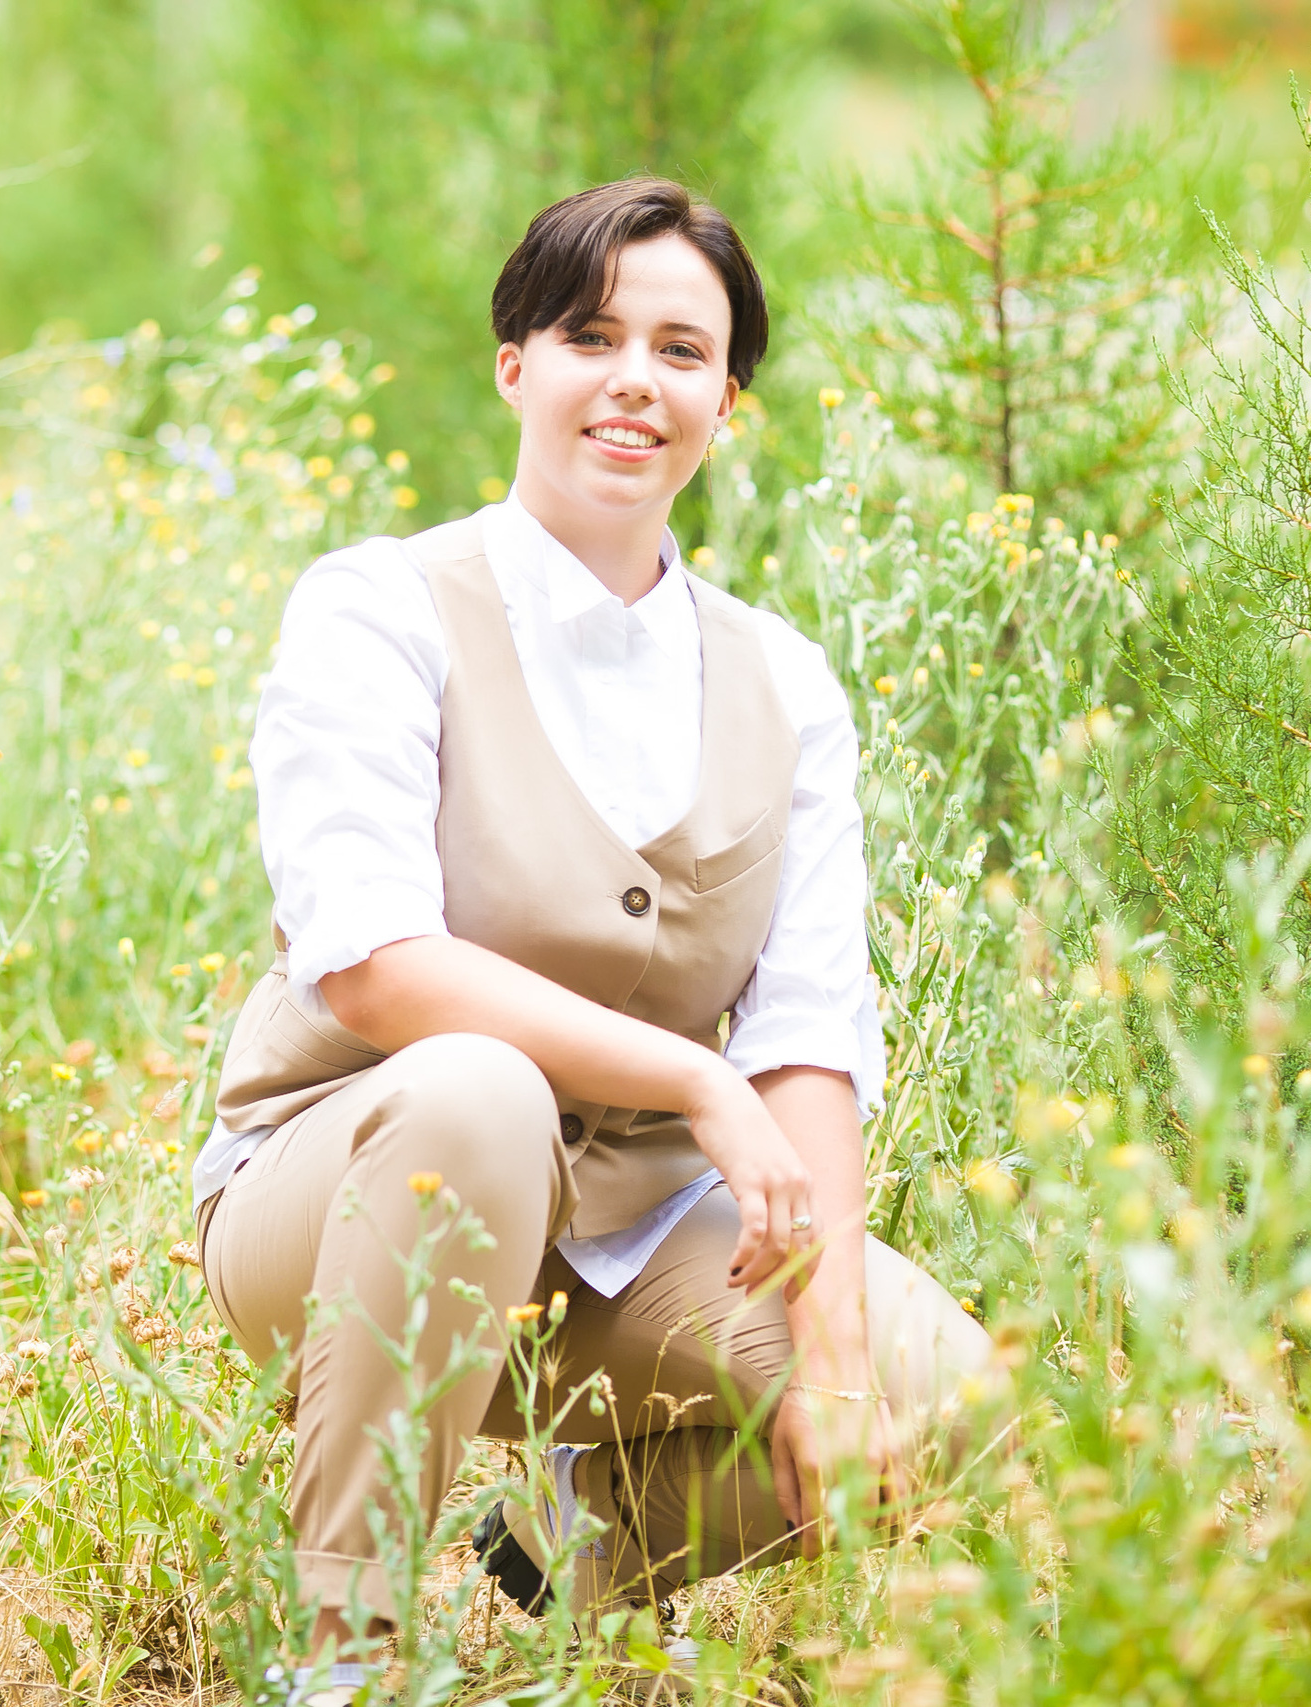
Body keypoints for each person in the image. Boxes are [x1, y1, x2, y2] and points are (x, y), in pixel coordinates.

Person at [191, 177, 994, 1693]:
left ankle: (572, 1549)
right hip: (350, 1193)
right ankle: (346, 1654)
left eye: (682, 352)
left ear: (726, 404)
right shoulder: (379, 608)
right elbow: (371, 963)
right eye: (590, 335)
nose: (636, 380)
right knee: (477, 1088)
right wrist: (695, 1082)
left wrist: (827, 1369)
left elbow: (808, 1037)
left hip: (631, 1248)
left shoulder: (786, 685)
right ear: (515, 366)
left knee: (950, 1402)